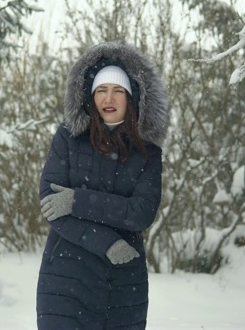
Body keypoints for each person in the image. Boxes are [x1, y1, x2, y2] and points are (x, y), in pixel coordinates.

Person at [36, 40, 169, 329]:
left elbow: (141, 212)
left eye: (118, 90)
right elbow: (50, 203)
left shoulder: (147, 153)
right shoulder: (68, 139)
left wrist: (76, 201)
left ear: (132, 98)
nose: (109, 98)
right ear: (90, 96)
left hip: (121, 280)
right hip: (66, 277)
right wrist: (106, 241)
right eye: (101, 90)